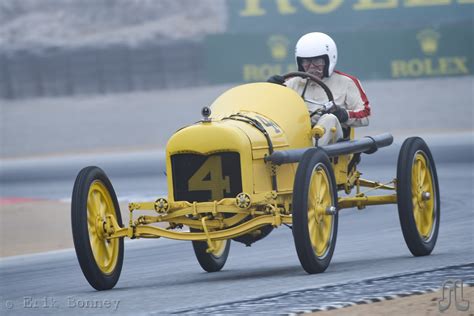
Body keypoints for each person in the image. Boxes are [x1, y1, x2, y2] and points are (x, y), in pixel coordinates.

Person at [268, 32, 371, 146]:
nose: (311, 66)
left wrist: (343, 114)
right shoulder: (291, 82)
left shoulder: (347, 82)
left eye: (317, 60)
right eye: (306, 61)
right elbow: (272, 110)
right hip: (296, 137)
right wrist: (270, 89)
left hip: (333, 145)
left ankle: (311, 155)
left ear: (329, 60)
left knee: (329, 118)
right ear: (300, 62)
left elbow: (366, 115)